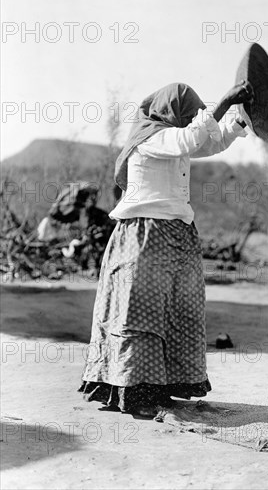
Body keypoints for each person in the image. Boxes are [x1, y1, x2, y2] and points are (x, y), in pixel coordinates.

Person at [78, 81, 252, 417]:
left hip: (176, 235)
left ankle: (162, 387)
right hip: (145, 235)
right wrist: (226, 99)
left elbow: (209, 142)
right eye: (188, 113)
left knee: (175, 313)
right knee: (141, 315)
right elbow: (192, 137)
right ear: (171, 113)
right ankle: (135, 394)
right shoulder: (151, 140)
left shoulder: (175, 142)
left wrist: (241, 118)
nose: (192, 120)